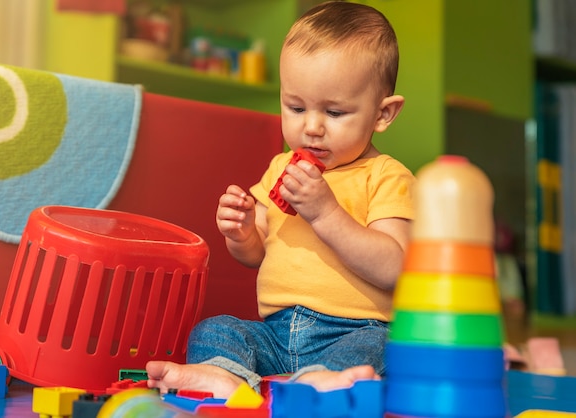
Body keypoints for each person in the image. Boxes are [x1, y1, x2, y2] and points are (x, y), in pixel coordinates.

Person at [146, 1, 415, 398]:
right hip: (274, 333)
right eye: (296, 107)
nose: (311, 127)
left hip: (355, 330)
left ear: (383, 114)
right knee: (216, 328)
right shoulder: (280, 167)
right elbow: (256, 252)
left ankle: (320, 381)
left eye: (335, 112)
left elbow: (395, 268)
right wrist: (240, 231)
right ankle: (228, 376)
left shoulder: (386, 176)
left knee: (385, 348)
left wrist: (325, 212)